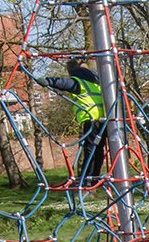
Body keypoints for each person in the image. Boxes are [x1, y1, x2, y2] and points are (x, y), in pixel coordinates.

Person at [31, 56, 110, 184]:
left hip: (91, 119)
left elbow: (64, 83)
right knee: (98, 149)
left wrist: (48, 81)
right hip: (104, 120)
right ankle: (94, 176)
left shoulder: (79, 82)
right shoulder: (96, 83)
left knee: (90, 149)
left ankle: (87, 177)